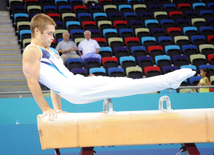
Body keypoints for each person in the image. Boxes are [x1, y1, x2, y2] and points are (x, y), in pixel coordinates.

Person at [22, 13, 195, 121]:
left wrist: (58, 110)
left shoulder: (51, 51)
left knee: (122, 83)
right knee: (125, 84)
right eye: (49, 33)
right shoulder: (32, 50)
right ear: (36, 30)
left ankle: (168, 82)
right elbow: (32, 82)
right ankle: (169, 81)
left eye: (53, 33)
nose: (53, 37)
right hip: (73, 87)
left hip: (75, 85)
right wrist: (46, 108)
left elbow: (54, 88)